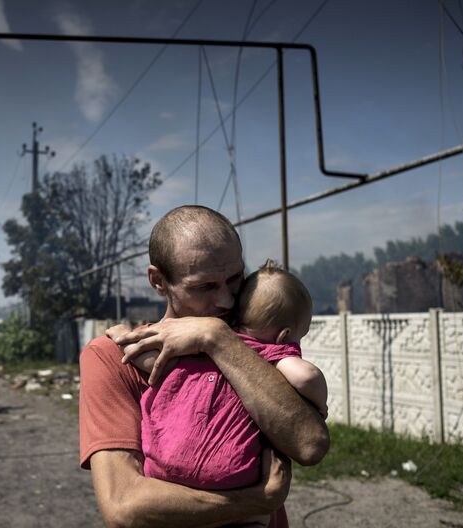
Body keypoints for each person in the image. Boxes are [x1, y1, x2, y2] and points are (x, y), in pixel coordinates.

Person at [79, 205, 330, 527]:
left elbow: (310, 445)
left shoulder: (248, 346)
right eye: (205, 287)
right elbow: (125, 508)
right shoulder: (113, 356)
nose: (226, 300)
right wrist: (254, 501)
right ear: (158, 280)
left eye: (235, 279)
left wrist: (216, 338)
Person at [118, 259, 327, 525]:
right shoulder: (275, 354)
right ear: (285, 335)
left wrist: (122, 336)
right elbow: (306, 376)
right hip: (230, 474)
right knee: (257, 518)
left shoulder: (201, 346)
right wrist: (320, 403)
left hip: (164, 469)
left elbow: (153, 361)